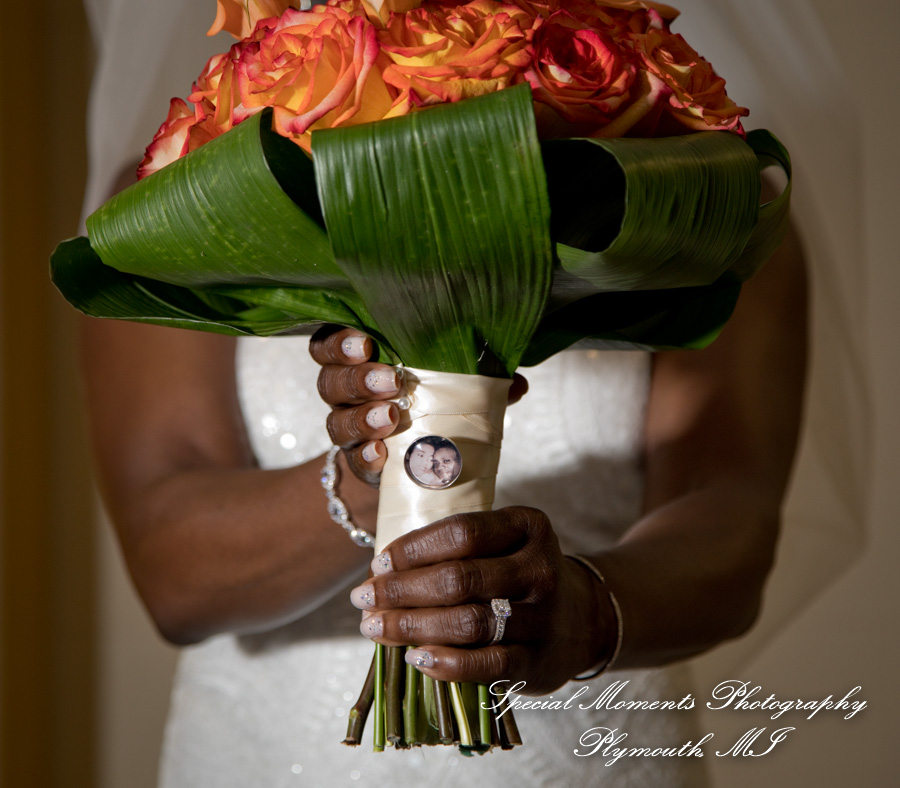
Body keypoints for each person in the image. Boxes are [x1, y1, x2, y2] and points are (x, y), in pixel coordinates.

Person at [78, 1, 866, 786]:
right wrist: (367, 480)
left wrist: (583, 615)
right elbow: (171, 578)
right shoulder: (183, 195)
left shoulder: (698, 200)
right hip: (266, 755)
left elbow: (730, 517)